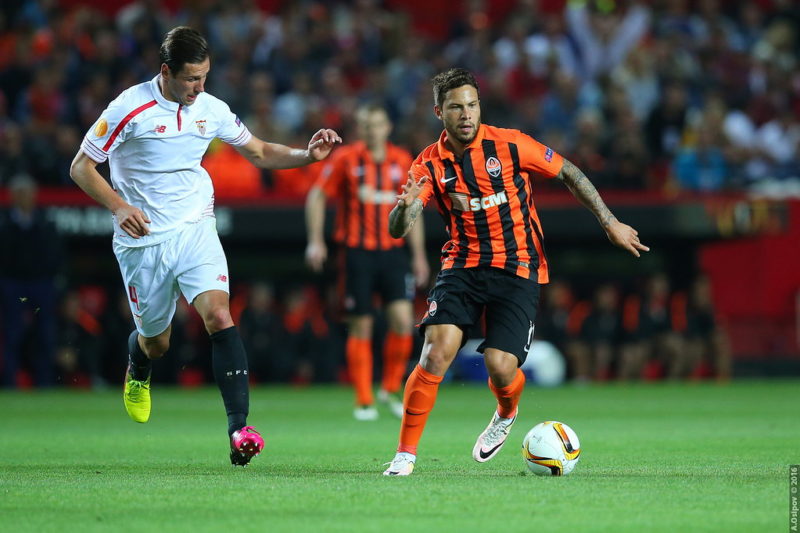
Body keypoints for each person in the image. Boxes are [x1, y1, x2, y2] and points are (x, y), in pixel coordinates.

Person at [69, 26, 341, 466]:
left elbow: (258, 151)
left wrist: (306, 156)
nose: (200, 87)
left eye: (205, 76)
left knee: (218, 315)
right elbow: (81, 167)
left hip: (196, 225)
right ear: (166, 71)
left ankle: (239, 429)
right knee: (157, 343)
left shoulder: (211, 108)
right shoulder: (128, 107)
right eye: (192, 78)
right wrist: (118, 207)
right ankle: (138, 362)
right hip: (144, 239)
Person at [382, 68, 648, 476]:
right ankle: (405, 455)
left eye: (472, 105)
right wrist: (403, 208)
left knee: (501, 367)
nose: (466, 114)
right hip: (462, 267)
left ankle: (506, 412)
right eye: (456, 107)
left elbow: (569, 174)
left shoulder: (510, 144)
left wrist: (608, 221)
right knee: (436, 352)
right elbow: (399, 228)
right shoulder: (428, 166)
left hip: (518, 266)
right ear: (439, 112)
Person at [305, 104, 429, 420]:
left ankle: (389, 388)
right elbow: (317, 195)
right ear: (359, 129)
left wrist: (418, 255)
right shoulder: (346, 159)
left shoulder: (403, 161)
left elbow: (413, 210)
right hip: (356, 253)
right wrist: (316, 240)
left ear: (387, 127)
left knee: (403, 320)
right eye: (365, 125)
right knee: (362, 323)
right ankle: (363, 399)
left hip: (392, 254)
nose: (372, 130)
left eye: (377, 124)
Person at [0, 174, 62, 388]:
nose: (26, 198)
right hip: (13, 284)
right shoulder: (4, 223)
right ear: (13, 196)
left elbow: (55, 254)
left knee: (45, 335)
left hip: (41, 284)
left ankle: (45, 382)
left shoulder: (46, 221)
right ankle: (10, 382)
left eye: (29, 193)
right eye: (21, 194)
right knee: (13, 334)